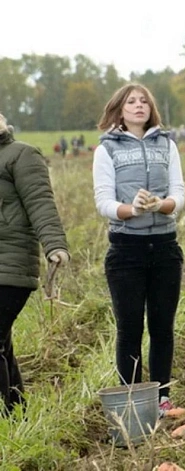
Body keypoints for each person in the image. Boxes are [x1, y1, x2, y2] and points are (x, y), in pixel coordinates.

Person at [92, 83, 185, 416]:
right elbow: (103, 201)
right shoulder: (107, 150)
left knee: (162, 326)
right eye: (131, 101)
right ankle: (132, 400)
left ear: (151, 108)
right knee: (130, 328)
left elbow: (179, 195)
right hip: (126, 251)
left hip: (164, 247)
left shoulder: (167, 144)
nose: (138, 106)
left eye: (144, 100)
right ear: (119, 109)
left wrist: (162, 205)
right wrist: (131, 209)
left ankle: (161, 396)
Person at [0, 112, 70, 414]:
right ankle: (15, 413)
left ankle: (4, 416)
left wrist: (54, 245)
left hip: (10, 265)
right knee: (2, 342)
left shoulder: (21, 155)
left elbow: (40, 202)